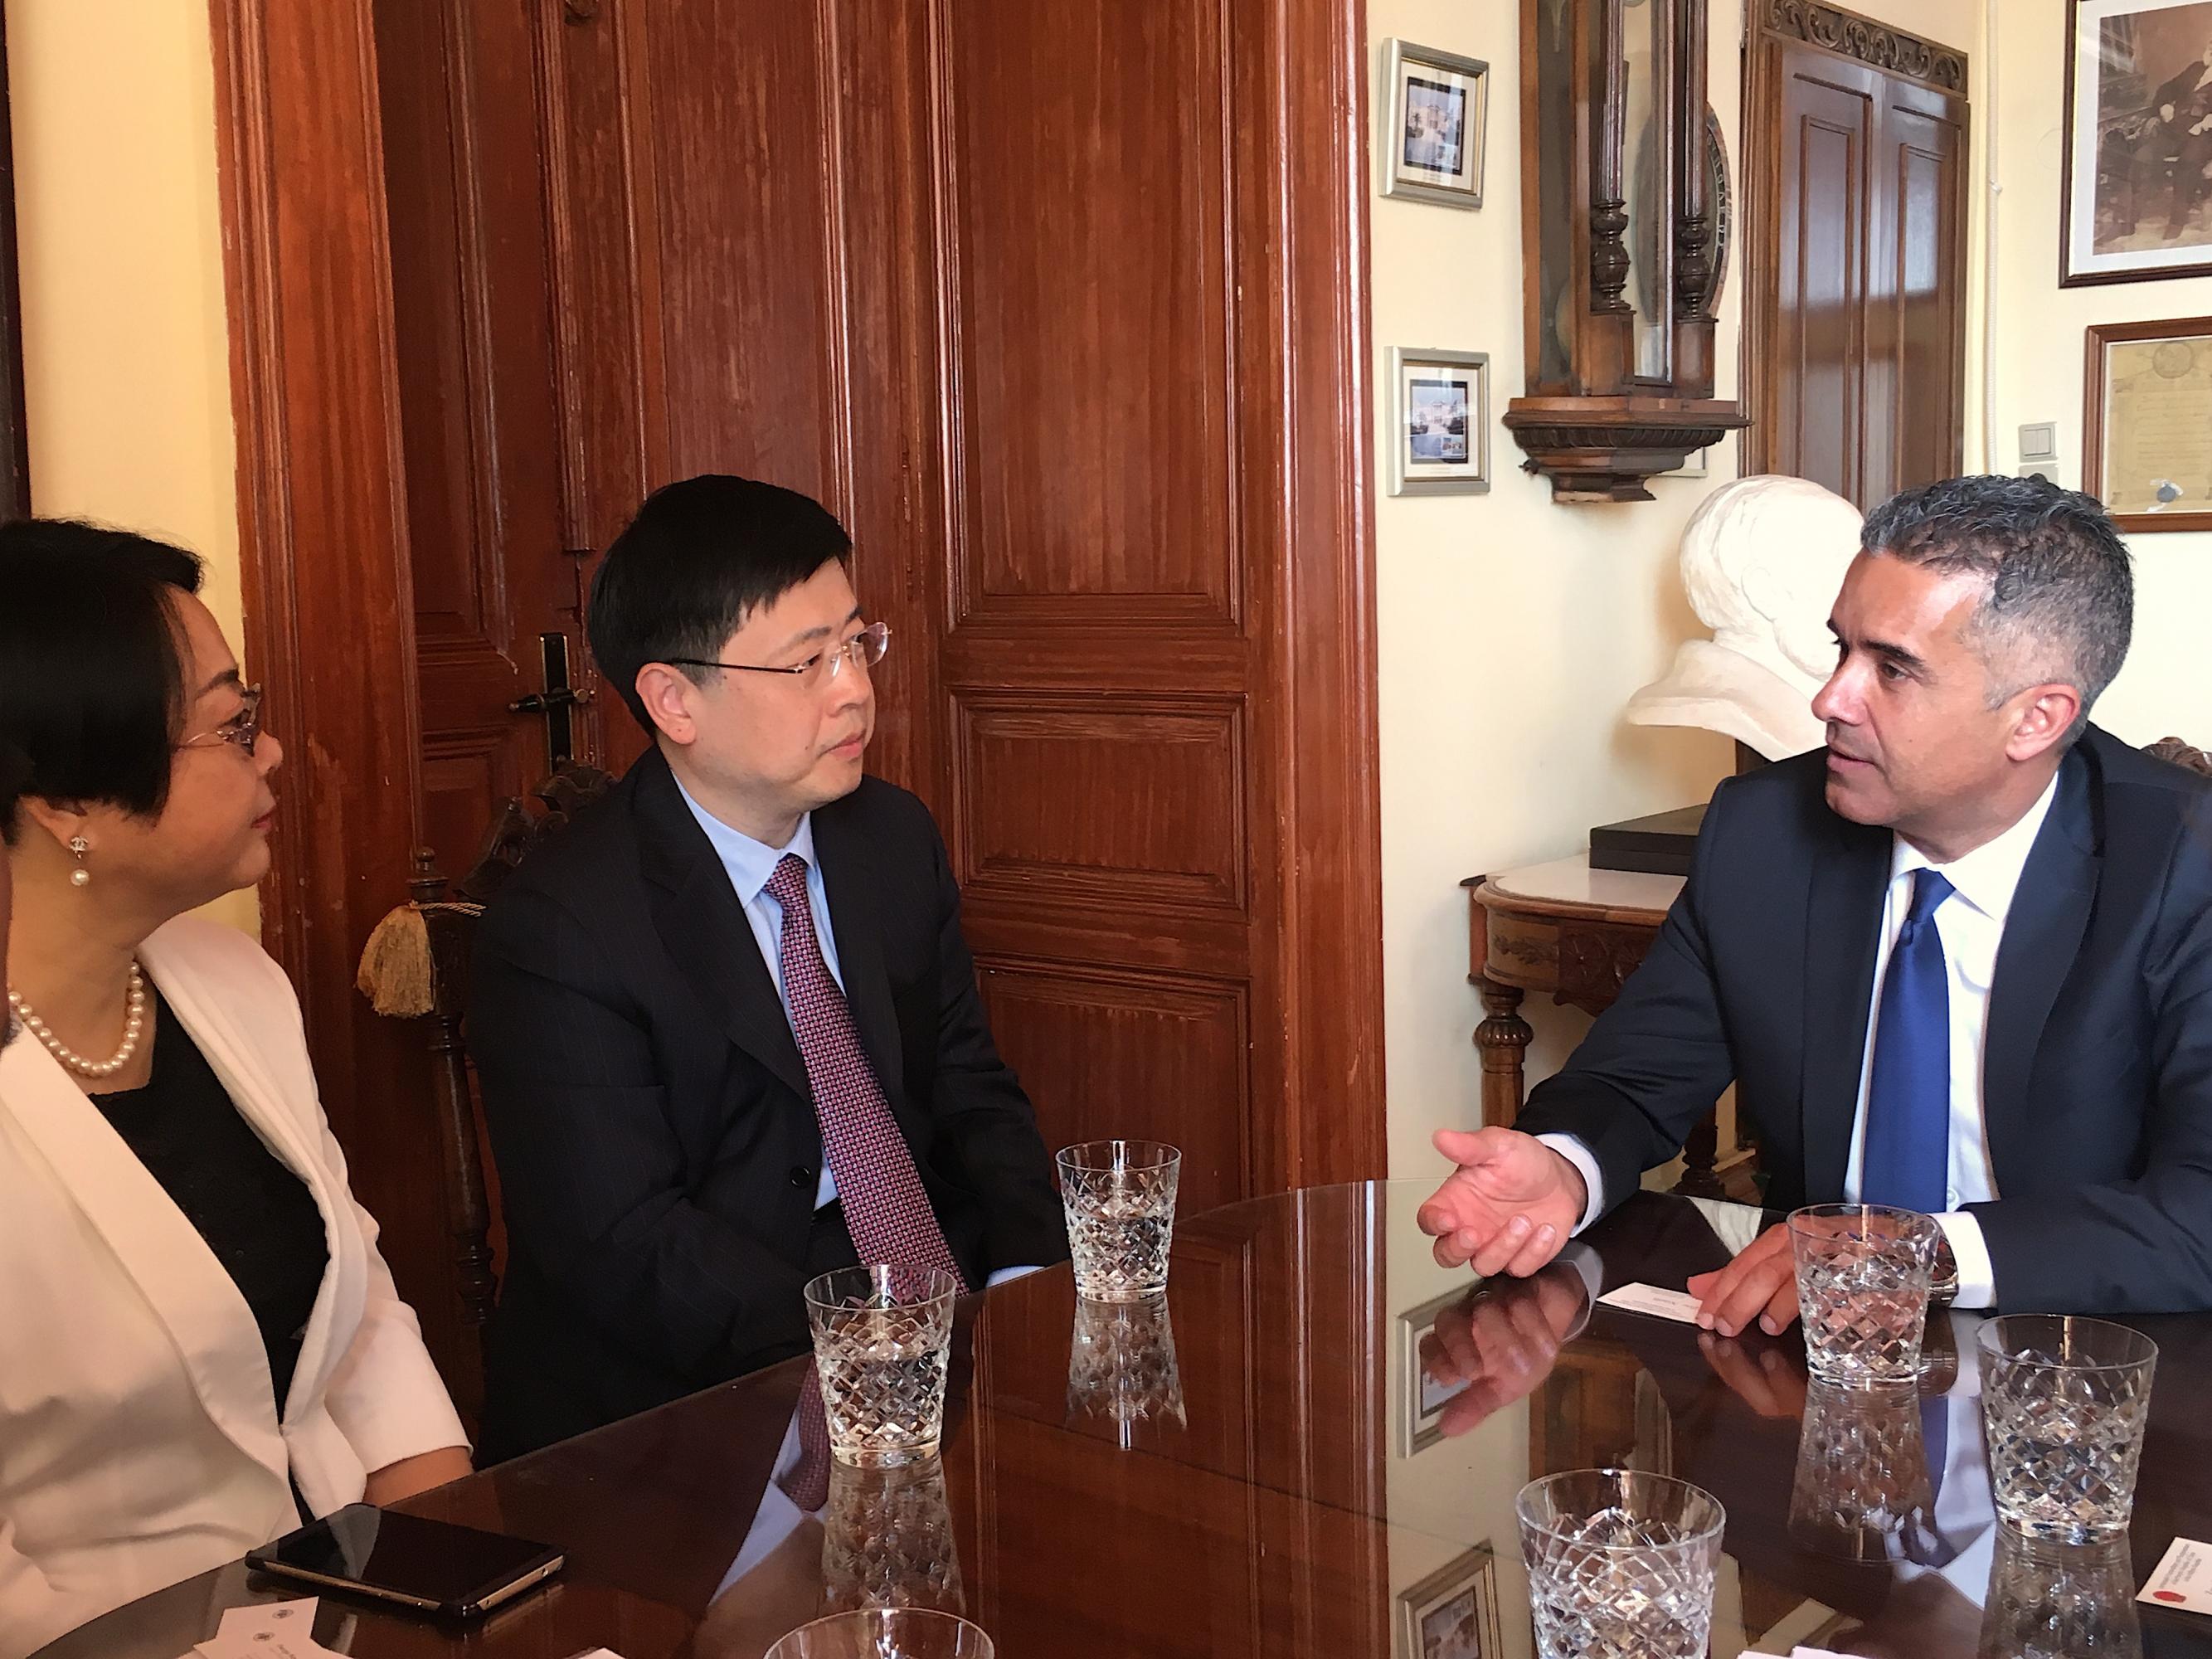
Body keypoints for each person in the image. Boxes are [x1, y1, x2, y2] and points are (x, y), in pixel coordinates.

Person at [1419, 474, 2212, 1333]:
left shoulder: (2184, 866)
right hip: (1810, 1351)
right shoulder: (1764, 831)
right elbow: (1632, 1079)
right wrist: (1564, 1166)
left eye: (1893, 668)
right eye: (1842, 649)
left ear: (2036, 719)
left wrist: (1920, 1253)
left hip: (2082, 1359)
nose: (1829, 699)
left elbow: (2200, 1208)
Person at [468, 474, 1067, 1461]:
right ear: (674, 699)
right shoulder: (561, 927)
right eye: (806, 662)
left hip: (918, 1308)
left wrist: (1025, 1279)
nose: (854, 688)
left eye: (856, 643)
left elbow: (970, 1083)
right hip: (685, 1404)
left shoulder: (889, 836)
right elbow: (627, 1242)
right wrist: (878, 1353)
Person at [0, 520, 469, 1658]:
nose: (273, 754)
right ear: (64, 804)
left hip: (362, 1603)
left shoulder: (232, 982)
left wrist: (444, 1566)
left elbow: (359, 1305)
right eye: (232, 725)